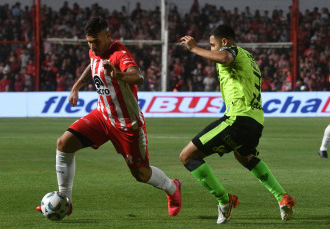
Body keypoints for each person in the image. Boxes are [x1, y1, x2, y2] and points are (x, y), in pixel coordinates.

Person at [36, 17, 182, 217]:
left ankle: (173, 188)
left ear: (108, 36)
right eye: (89, 42)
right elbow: (92, 65)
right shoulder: (95, 52)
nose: (92, 46)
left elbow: (138, 76)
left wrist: (118, 75)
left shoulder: (119, 54)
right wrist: (76, 86)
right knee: (64, 144)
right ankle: (65, 200)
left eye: (96, 41)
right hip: (102, 116)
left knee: (141, 174)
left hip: (127, 124)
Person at [179, 24, 295, 224]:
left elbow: (224, 57)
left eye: (213, 45)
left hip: (238, 119)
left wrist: (194, 49)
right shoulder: (249, 58)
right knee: (244, 156)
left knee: (187, 156)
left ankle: (225, 200)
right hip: (256, 121)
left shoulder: (231, 50)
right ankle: (282, 197)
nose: (212, 49)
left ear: (224, 42)